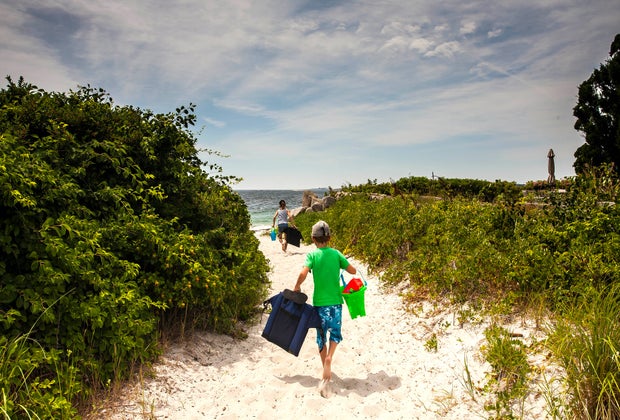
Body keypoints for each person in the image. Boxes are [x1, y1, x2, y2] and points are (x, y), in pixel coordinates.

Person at [293, 220, 357, 398]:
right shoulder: (336, 254)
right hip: (335, 303)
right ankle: (330, 356)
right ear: (329, 237)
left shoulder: (312, 256)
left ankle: (325, 367)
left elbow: (302, 273)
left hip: (319, 304)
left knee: (321, 336)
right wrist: (343, 264)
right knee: (335, 334)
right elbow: (352, 271)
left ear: (313, 238)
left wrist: (297, 286)